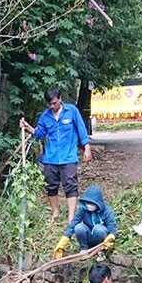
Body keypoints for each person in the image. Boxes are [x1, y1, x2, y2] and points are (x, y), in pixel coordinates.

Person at [19, 89, 91, 224]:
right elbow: (39, 134)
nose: (52, 106)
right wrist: (28, 127)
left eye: (54, 103)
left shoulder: (72, 111)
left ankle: (71, 217)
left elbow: (81, 129)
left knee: (70, 185)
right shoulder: (45, 116)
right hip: (50, 158)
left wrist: (86, 147)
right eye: (50, 104)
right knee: (51, 186)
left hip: (68, 157)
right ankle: (55, 212)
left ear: (60, 99)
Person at [54, 185, 117, 259]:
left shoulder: (107, 211)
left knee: (99, 229)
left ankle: (100, 250)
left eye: (92, 204)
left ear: (98, 203)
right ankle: (84, 249)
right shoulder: (83, 209)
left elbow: (111, 225)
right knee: (79, 227)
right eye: (87, 203)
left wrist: (111, 236)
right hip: (88, 236)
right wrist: (64, 240)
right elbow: (74, 223)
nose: (89, 206)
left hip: (101, 237)